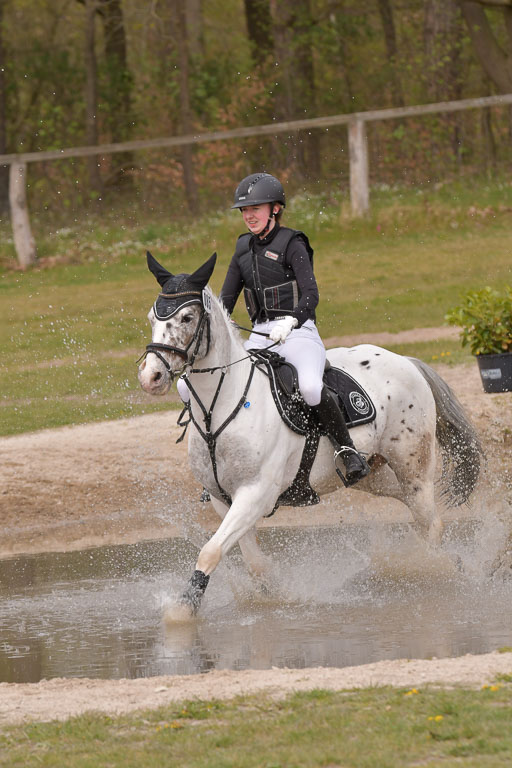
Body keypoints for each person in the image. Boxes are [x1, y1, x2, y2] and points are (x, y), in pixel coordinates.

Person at [218, 172, 370, 486]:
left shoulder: (292, 242)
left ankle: (346, 449)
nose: (249, 215)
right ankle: (225, 467)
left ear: (275, 208)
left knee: (311, 388)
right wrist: (222, 321)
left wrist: (291, 321)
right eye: (245, 211)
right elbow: (225, 300)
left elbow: (311, 294)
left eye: (255, 208)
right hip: (260, 337)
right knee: (234, 390)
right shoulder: (242, 248)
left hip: (298, 333)